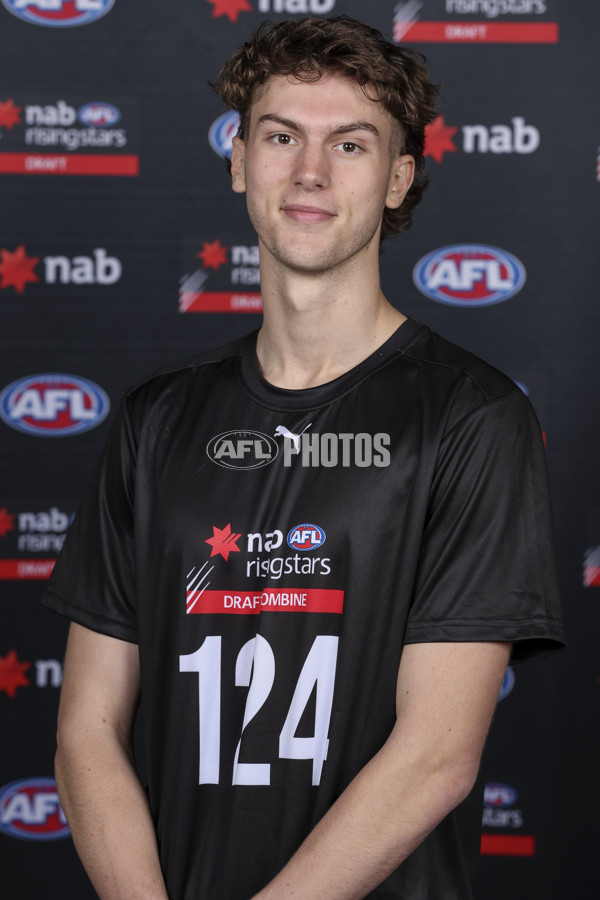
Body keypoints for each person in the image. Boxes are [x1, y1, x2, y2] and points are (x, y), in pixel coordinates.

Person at [44, 15, 565, 900]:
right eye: (282, 136)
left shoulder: (471, 417)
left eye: (351, 145)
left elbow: (437, 756)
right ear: (241, 160)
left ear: (399, 179)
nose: (310, 172)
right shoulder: (156, 418)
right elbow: (86, 731)